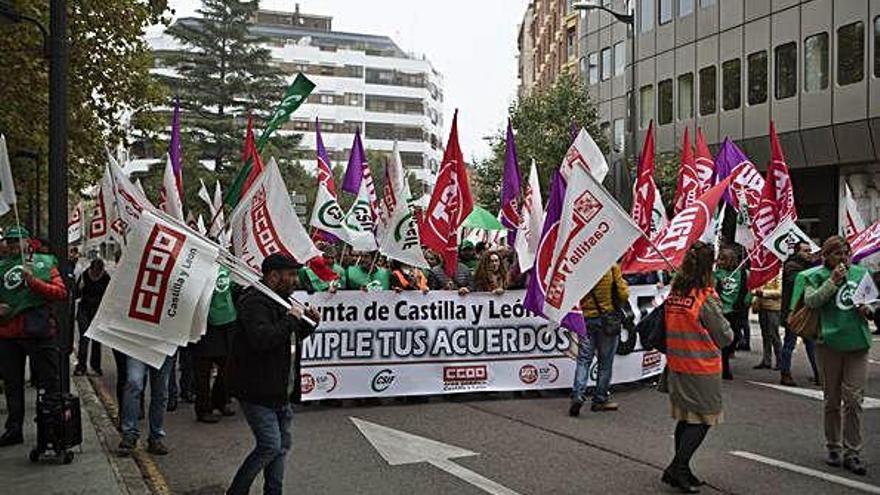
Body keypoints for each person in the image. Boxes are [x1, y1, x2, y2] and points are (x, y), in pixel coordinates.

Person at [227, 254, 320, 495]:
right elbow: (263, 339)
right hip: (258, 390)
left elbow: (287, 338)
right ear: (273, 275)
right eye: (290, 274)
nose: (295, 280)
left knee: (281, 447)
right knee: (269, 446)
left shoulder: (281, 300)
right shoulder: (255, 302)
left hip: (279, 390)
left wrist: (309, 323)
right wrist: (291, 319)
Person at [661, 241, 734, 493]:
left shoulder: (676, 293)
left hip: (677, 365)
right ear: (709, 267)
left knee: (686, 417)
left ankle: (680, 468)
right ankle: (678, 468)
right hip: (700, 366)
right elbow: (725, 337)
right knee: (702, 420)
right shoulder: (705, 297)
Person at [803, 236, 872, 475]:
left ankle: (852, 452)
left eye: (846, 253)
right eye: (837, 253)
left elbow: (873, 302)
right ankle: (833, 446)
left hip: (857, 343)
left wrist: (868, 310)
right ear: (826, 256)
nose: (843, 258)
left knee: (853, 400)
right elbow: (811, 301)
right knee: (832, 399)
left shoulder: (861, 273)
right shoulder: (815, 275)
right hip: (829, 344)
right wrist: (832, 282)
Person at [0, 227, 68, 447]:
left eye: (15, 241)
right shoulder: (1, 267)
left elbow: (60, 292)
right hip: (8, 334)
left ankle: (51, 429)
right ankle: (13, 429)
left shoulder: (45, 263)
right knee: (12, 385)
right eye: (8, 242)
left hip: (38, 332)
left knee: (49, 382)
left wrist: (34, 282)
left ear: (28, 242)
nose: (11, 245)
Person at [569, 263, 629, 416]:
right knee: (605, 362)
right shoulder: (611, 267)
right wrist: (623, 284)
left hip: (586, 319)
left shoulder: (580, 268)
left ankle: (577, 395)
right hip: (607, 320)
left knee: (583, 360)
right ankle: (600, 399)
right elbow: (623, 295)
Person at [192, 266, 237, 423]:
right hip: (205, 324)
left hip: (228, 322)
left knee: (228, 366)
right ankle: (203, 408)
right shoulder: (199, 263)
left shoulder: (227, 264)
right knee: (203, 370)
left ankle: (221, 400)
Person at [779, 241, 819, 386]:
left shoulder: (809, 266)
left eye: (810, 250)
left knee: (811, 344)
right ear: (797, 252)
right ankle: (785, 374)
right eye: (805, 251)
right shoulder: (791, 266)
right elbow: (797, 281)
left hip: (807, 310)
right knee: (790, 343)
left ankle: (819, 374)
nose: (809, 253)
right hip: (793, 311)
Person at [713, 248, 751, 380]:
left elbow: (748, 290)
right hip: (721, 310)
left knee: (735, 338)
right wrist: (718, 284)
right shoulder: (716, 274)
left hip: (736, 310)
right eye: (720, 259)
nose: (720, 261)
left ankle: (726, 357)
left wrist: (746, 303)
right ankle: (724, 366)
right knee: (722, 339)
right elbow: (711, 290)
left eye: (723, 259)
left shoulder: (743, 273)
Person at [74, 258, 110, 376]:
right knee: (84, 339)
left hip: (98, 311)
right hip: (84, 309)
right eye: (94, 271)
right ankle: (81, 366)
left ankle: (96, 366)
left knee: (96, 340)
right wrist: (79, 287)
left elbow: (108, 295)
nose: (96, 274)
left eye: (98, 272)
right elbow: (76, 293)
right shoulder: (84, 275)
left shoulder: (106, 278)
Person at [752, 273, 782, 370]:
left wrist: (763, 293)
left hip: (773, 308)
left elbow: (780, 292)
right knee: (765, 335)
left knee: (774, 335)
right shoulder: (763, 272)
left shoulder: (778, 274)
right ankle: (766, 360)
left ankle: (780, 361)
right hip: (762, 306)